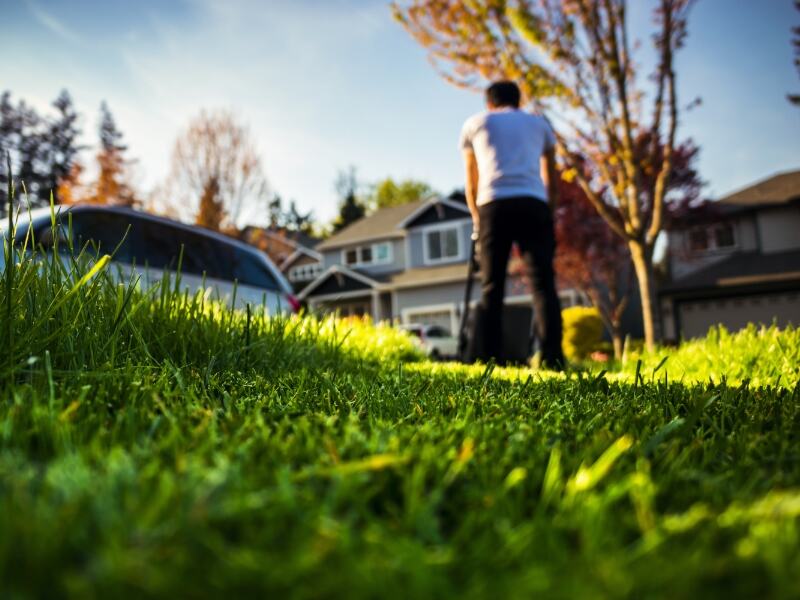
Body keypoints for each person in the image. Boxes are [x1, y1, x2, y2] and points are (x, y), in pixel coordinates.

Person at [459, 80, 564, 369]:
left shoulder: (476, 123)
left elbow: (472, 180)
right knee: (543, 284)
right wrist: (548, 210)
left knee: (492, 285)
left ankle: (493, 359)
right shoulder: (539, 124)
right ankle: (553, 357)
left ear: (489, 102)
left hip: (494, 203)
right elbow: (551, 177)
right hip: (533, 203)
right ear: (518, 101)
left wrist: (478, 220)